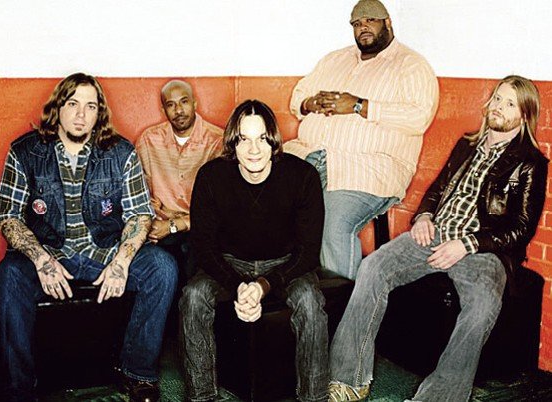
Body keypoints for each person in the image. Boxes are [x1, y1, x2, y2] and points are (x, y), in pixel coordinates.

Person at [328, 75, 548, 401]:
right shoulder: (467, 145)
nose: (499, 107)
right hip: (436, 233)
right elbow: (438, 190)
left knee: (482, 306)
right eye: (498, 99)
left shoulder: (530, 163)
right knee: (373, 267)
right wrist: (424, 216)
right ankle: (349, 379)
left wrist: (467, 244)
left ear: (525, 115)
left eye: (510, 104)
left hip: (482, 251)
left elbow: (521, 229)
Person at [0, 73, 177, 402]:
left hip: (103, 252)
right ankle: (18, 389)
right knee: (7, 277)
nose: (81, 115)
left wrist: (121, 262)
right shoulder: (25, 151)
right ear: (57, 108)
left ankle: (137, 373)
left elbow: (139, 215)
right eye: (73, 104)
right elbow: (8, 216)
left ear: (99, 112)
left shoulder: (120, 152)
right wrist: (42, 260)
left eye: (90, 106)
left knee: (162, 268)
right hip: (49, 253)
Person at [179, 100, 328, 402]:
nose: (254, 149)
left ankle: (314, 398)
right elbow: (204, 248)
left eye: (262, 138)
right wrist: (238, 285)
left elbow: (308, 252)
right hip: (230, 262)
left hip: (285, 263)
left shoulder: (303, 176)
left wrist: (262, 285)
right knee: (193, 296)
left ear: (274, 141)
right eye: (244, 139)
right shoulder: (211, 177)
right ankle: (202, 396)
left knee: (310, 301)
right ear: (232, 144)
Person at [284, 0, 439, 280]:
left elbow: (419, 117)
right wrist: (311, 102)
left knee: (333, 223)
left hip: (368, 169)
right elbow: (298, 97)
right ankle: (275, 291)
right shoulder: (334, 60)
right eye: (357, 23)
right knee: (261, 198)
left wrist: (359, 106)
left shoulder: (411, 65)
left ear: (388, 22)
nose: (363, 27)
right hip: (309, 155)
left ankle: (340, 304)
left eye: (370, 21)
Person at [136, 80, 223, 279]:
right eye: (171, 104)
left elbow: (220, 207)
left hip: (201, 228)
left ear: (195, 103)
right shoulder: (148, 141)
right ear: (163, 109)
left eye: (184, 102)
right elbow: (140, 195)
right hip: (160, 230)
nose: (179, 110)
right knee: (159, 266)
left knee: (196, 258)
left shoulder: (218, 141)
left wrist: (176, 224)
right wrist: (152, 223)